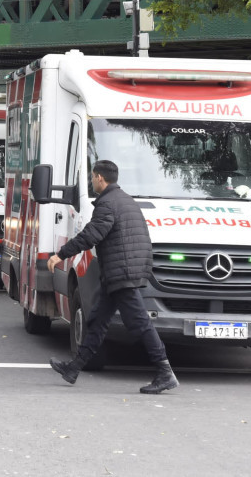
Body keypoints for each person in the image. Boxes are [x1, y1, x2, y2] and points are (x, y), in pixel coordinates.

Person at [47, 160, 178, 394]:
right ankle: (73, 368)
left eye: (92, 176)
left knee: (140, 323)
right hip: (123, 270)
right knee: (97, 320)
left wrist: (61, 254)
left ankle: (165, 372)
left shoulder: (107, 204)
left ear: (100, 178)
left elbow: (91, 235)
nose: (91, 180)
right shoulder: (125, 200)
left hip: (122, 272)